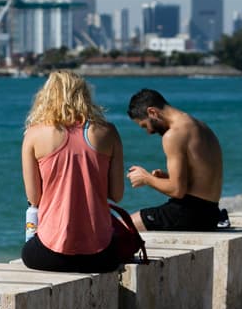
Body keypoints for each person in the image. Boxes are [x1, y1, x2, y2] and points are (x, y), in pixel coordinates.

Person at [21, 70, 127, 273]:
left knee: (28, 250)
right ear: (84, 95)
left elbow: (34, 198)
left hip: (52, 252)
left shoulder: (34, 134)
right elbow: (117, 195)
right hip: (101, 254)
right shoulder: (108, 132)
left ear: (46, 96)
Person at [125, 88, 225, 231]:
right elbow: (202, 180)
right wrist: (165, 177)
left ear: (152, 112)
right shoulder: (200, 126)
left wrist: (146, 178)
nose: (149, 132)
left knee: (120, 227)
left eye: (145, 125)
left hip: (189, 213)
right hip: (211, 212)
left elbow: (177, 191)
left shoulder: (174, 134)